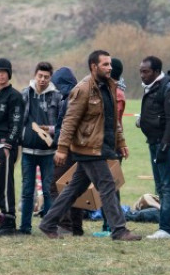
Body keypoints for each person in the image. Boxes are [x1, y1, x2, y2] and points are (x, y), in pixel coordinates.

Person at [39, 50, 141, 241]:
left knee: (74, 189)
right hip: (89, 147)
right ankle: (119, 230)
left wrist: (121, 142)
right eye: (105, 64)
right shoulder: (83, 89)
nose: (110, 67)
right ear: (94, 66)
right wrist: (61, 149)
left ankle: (47, 223)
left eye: (110, 64)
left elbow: (112, 120)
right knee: (108, 185)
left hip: (101, 145)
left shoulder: (109, 86)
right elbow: (70, 121)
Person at [139, 55, 170, 239]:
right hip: (154, 143)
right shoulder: (153, 87)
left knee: (167, 186)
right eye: (140, 71)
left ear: (156, 71)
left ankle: (167, 229)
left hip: (165, 145)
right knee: (160, 186)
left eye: (145, 71)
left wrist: (164, 146)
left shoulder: (168, 89)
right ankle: (168, 227)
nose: (142, 75)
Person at [0, 57, 24, 236]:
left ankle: (9, 220)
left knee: (5, 183)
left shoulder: (14, 96)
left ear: (9, 74)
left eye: (4, 72)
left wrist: (9, 144)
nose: (0, 75)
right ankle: (2, 215)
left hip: (4, 146)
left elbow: (17, 122)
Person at [19, 62, 61, 235]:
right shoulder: (25, 94)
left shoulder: (57, 97)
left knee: (48, 190)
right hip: (28, 151)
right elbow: (19, 119)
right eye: (40, 76)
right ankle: (25, 227)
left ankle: (49, 227)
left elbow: (60, 124)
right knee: (27, 191)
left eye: (46, 77)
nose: (43, 79)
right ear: (35, 75)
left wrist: (50, 132)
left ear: (50, 78)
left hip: (48, 153)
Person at [49, 66, 85, 236]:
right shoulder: (78, 96)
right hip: (78, 149)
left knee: (58, 185)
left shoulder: (69, 100)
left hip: (68, 150)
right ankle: (76, 227)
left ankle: (65, 225)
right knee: (75, 187)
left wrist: (58, 144)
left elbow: (66, 127)